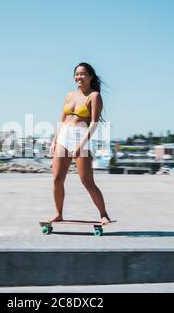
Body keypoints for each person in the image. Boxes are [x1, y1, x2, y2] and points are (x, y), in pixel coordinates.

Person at [48, 62, 111, 225]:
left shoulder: (94, 96)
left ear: (90, 76)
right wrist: (54, 140)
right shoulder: (69, 95)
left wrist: (81, 145)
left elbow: (94, 123)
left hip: (81, 137)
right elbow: (62, 120)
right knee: (57, 179)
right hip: (63, 137)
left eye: (83, 74)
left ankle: (104, 214)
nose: (79, 77)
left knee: (87, 181)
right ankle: (58, 213)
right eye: (76, 74)